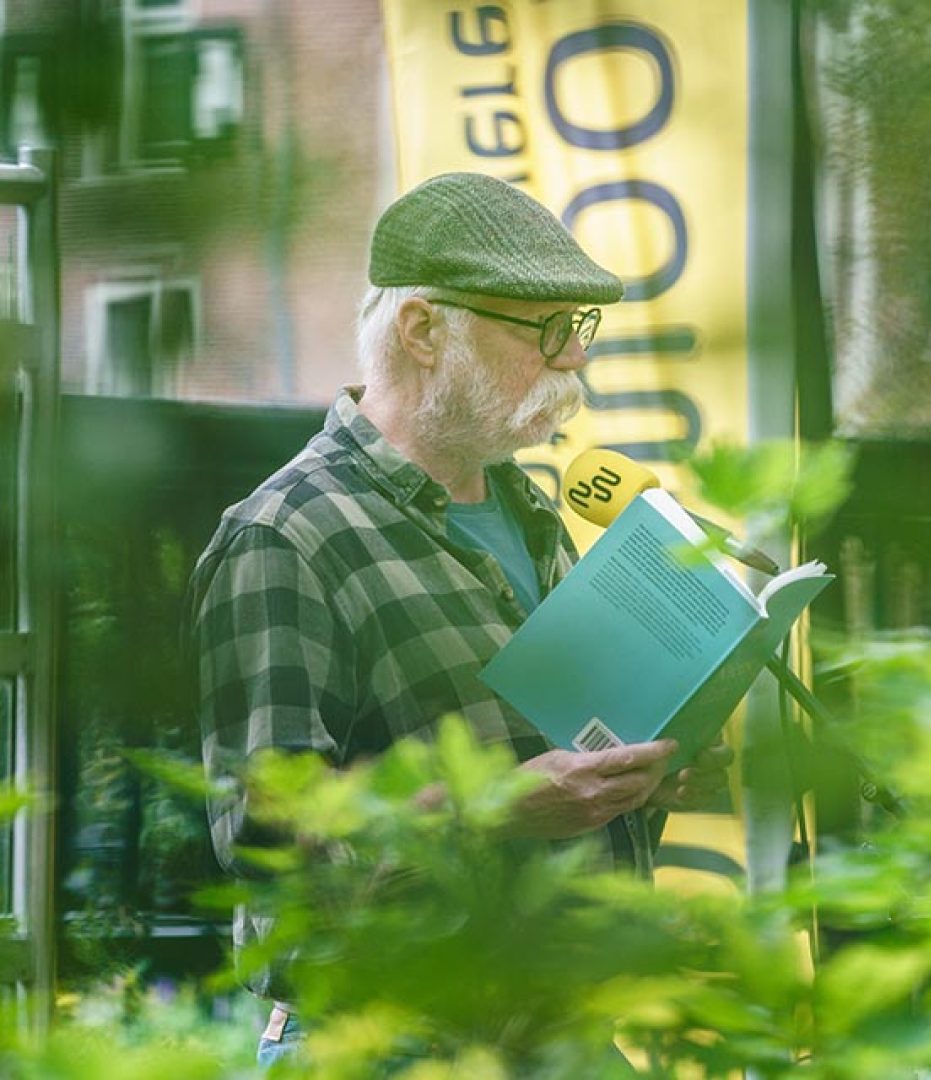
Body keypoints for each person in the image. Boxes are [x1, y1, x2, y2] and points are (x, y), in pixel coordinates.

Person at [187, 172, 732, 1067]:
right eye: (548, 331)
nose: (576, 360)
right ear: (424, 329)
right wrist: (500, 806)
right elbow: (270, 839)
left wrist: (645, 775)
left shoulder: (535, 515)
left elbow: (563, 767)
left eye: (581, 331)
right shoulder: (288, 536)